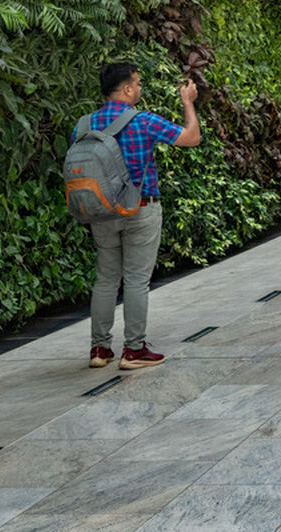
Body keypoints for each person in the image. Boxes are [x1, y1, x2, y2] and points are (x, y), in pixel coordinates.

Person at [79, 61, 201, 370]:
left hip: (100, 211)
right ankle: (133, 350)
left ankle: (99, 349)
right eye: (138, 83)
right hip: (140, 208)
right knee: (135, 280)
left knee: (106, 279)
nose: (140, 88)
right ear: (127, 89)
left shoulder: (84, 126)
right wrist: (188, 102)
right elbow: (191, 137)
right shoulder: (142, 121)